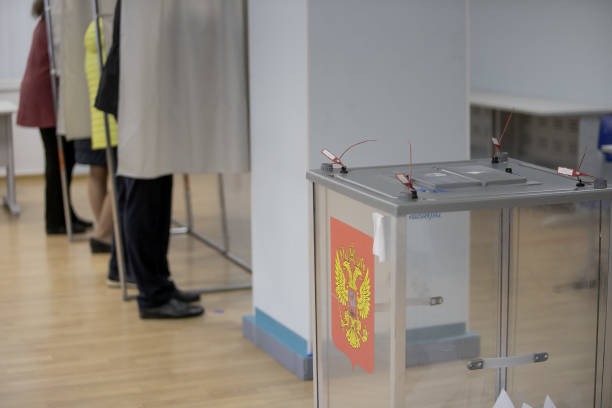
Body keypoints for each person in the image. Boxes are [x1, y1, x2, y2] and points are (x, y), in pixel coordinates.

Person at [96, 0, 204, 319]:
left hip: (146, 95)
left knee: (155, 193)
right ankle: (152, 294)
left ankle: (160, 283)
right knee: (143, 194)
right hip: (135, 96)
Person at [17, 0, 92, 235]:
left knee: (62, 158)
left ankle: (64, 215)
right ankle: (56, 220)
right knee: (58, 158)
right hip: (46, 95)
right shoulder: (53, 22)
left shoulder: (48, 21)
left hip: (47, 94)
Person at [73, 18, 118, 254]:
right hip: (111, 118)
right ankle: (103, 233)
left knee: (96, 173)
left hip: (92, 116)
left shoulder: (90, 28)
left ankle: (106, 233)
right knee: (121, 178)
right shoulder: (109, 26)